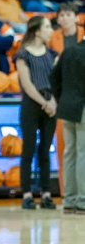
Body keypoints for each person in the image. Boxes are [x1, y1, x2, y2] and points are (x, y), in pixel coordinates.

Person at [14, 16, 57, 210]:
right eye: (47, 27)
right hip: (32, 105)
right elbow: (27, 84)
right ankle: (27, 193)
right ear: (38, 31)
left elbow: (57, 81)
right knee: (28, 149)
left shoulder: (52, 54)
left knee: (45, 151)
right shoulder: (22, 55)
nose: (51, 31)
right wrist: (44, 103)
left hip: (50, 103)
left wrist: (53, 101)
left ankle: (46, 193)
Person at [50, 30, 85, 213]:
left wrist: (61, 98)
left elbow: (53, 77)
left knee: (70, 153)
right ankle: (83, 199)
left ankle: (69, 199)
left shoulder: (69, 50)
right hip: (82, 108)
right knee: (82, 153)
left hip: (67, 107)